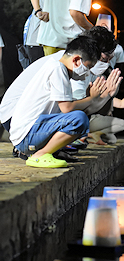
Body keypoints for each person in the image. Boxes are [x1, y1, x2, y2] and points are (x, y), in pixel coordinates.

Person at [4, 34, 107, 168]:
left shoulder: (57, 67)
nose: (87, 73)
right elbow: (67, 108)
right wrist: (91, 98)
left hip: (29, 133)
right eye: (87, 68)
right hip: (26, 136)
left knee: (78, 119)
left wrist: (88, 98)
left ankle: (49, 152)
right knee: (79, 119)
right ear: (76, 60)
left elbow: (67, 109)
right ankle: (40, 155)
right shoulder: (57, 69)